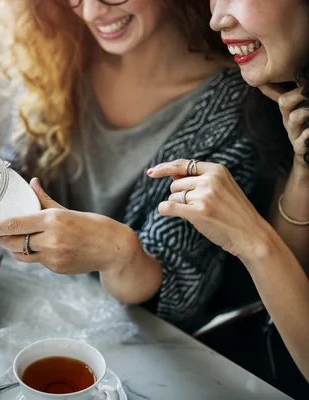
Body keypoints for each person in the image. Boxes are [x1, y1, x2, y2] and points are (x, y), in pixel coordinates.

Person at [0, 0, 258, 331]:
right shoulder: (62, 55)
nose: (92, 12)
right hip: (41, 311)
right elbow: (24, 166)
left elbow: (178, 294)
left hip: (144, 344)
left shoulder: (235, 107)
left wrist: (120, 252)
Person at [147, 0, 309, 395]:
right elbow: (292, 280)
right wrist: (304, 170)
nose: (218, 18)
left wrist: (251, 238)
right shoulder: (279, 102)